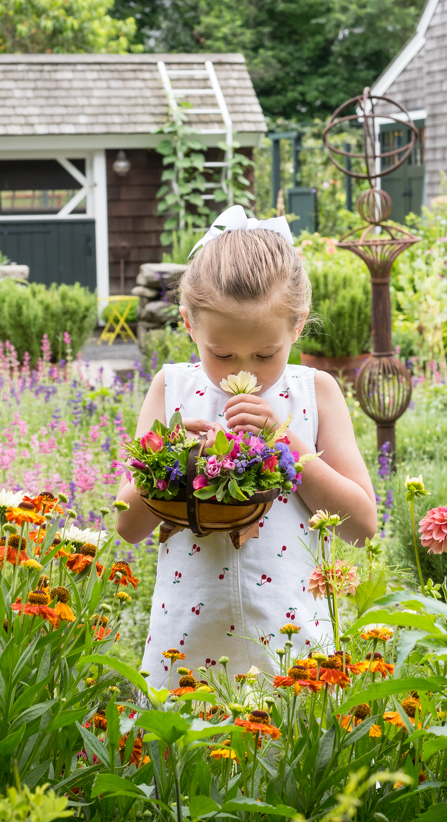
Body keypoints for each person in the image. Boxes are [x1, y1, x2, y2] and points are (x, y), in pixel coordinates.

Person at [116, 207, 377, 690]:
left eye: (264, 354)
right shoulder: (172, 389)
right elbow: (128, 526)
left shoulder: (314, 392)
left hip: (290, 632)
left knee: (286, 750)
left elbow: (362, 526)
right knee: (191, 756)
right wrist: (173, 457)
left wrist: (288, 443)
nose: (246, 370)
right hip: (189, 637)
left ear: (297, 327)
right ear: (189, 324)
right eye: (222, 354)